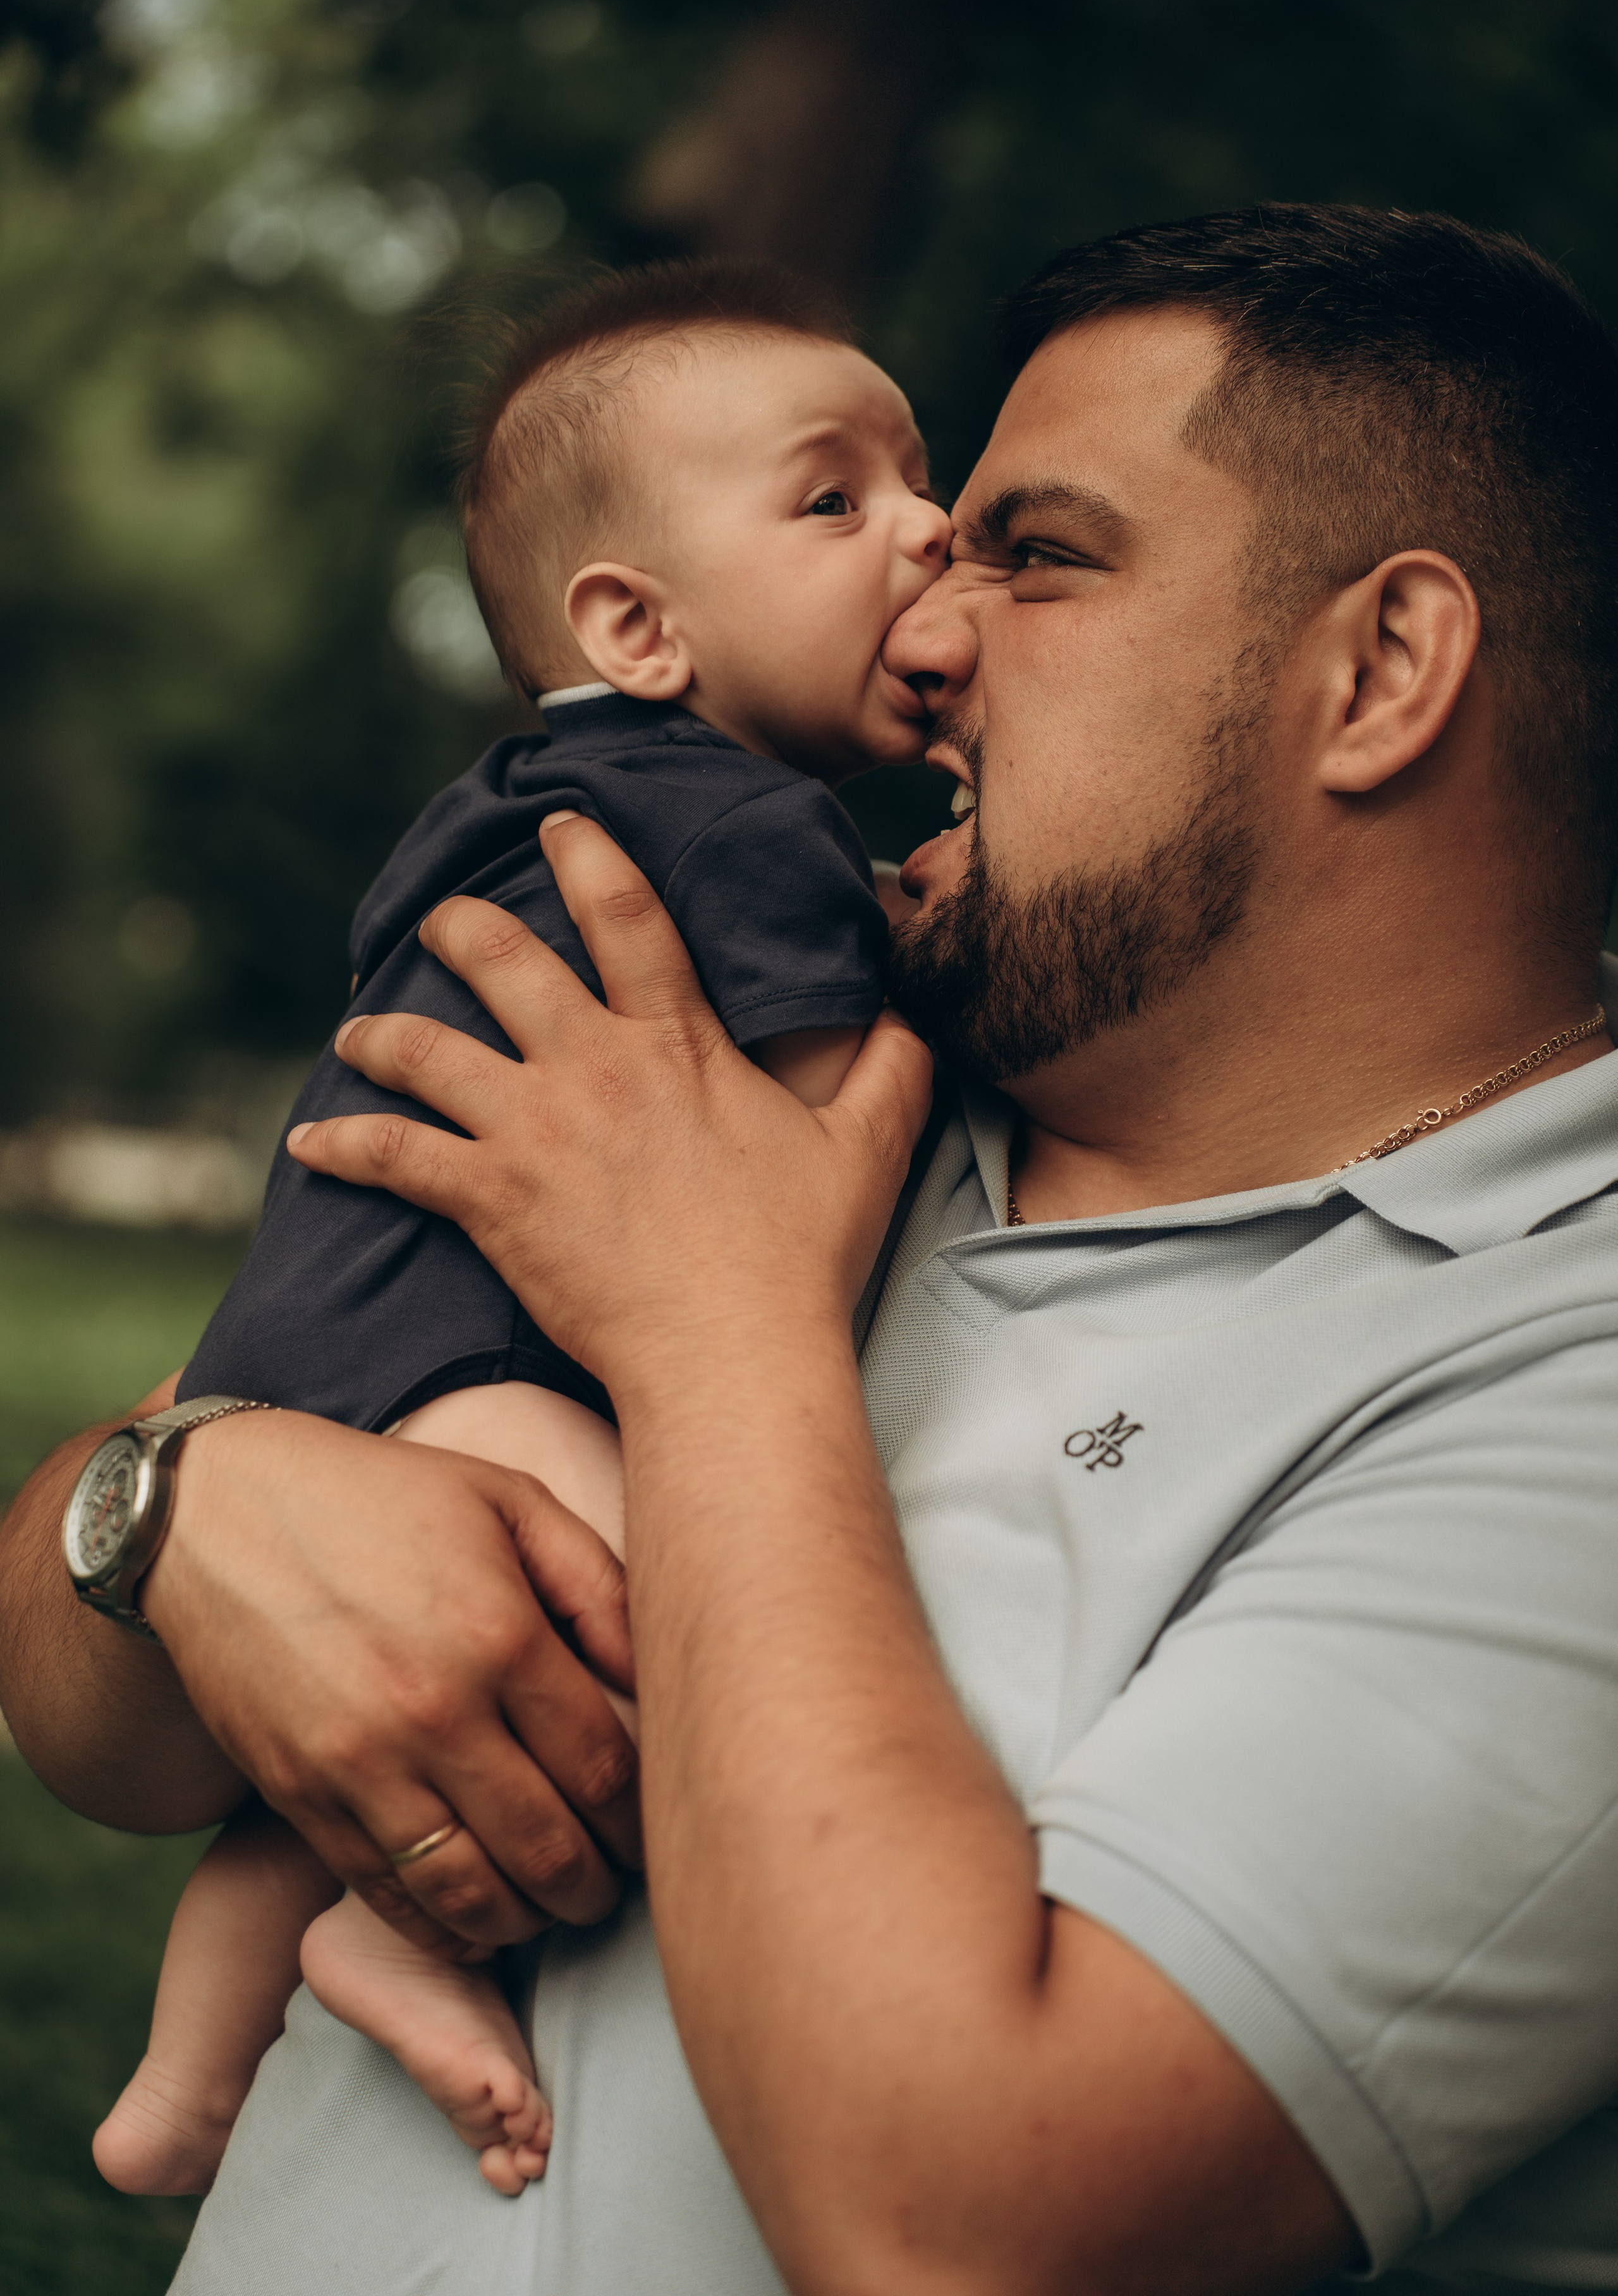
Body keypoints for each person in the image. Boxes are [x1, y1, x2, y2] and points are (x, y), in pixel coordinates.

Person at [4, 200, 1618, 2296]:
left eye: (1033, 558)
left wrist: (719, 1331)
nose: (929, 630)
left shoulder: (1556, 1366)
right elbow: (80, 1699)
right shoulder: (776, 1081)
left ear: (1381, 670)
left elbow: (963, 2226)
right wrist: (182, 1510)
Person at [82, 255, 952, 2199]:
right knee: (660, 1614)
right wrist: (923, 1007)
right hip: (473, 1365)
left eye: (927, 482)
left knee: (326, 1737)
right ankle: (399, 1932)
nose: (929, 528)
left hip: (301, 1343)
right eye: (838, 500)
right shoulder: (756, 829)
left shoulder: (501, 802)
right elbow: (792, 1149)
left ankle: (189, 2076)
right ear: (637, 623)